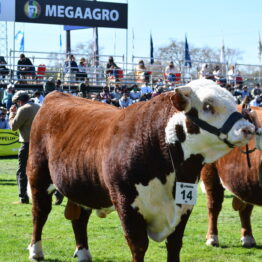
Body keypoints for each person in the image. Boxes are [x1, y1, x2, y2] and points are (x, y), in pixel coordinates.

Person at [8, 91, 40, 204]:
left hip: (27, 144)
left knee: (22, 171)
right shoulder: (39, 107)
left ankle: (23, 197)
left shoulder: (23, 109)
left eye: (17, 103)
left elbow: (13, 127)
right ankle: (55, 193)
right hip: (39, 145)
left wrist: (11, 114)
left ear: (19, 101)